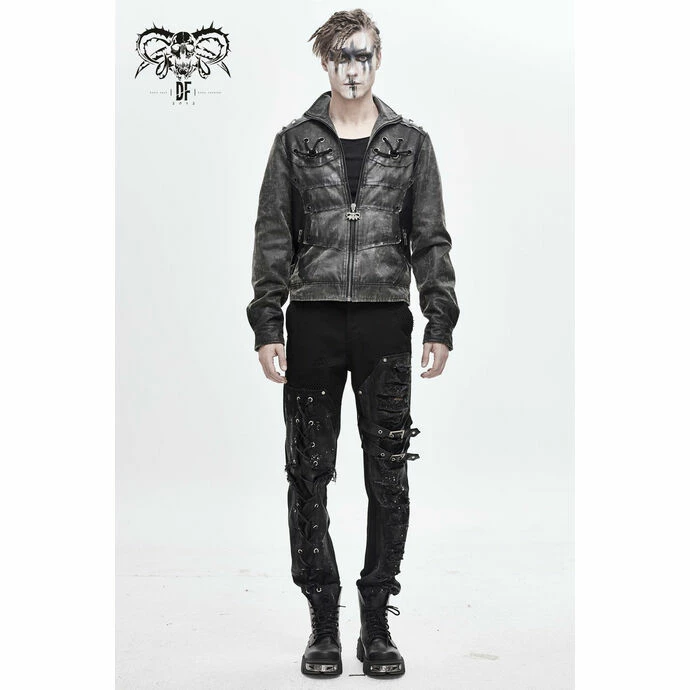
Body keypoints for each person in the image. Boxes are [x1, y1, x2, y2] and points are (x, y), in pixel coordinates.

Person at [246, 8, 460, 678]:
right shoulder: (294, 143)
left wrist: (440, 318)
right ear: (325, 62)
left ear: (378, 59)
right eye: (341, 56)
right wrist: (268, 323)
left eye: (363, 56)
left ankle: (374, 624)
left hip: (383, 323)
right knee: (308, 473)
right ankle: (322, 624)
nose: (352, 69)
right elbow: (272, 235)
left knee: (387, 474)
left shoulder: (411, 144)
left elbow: (430, 236)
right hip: (312, 322)